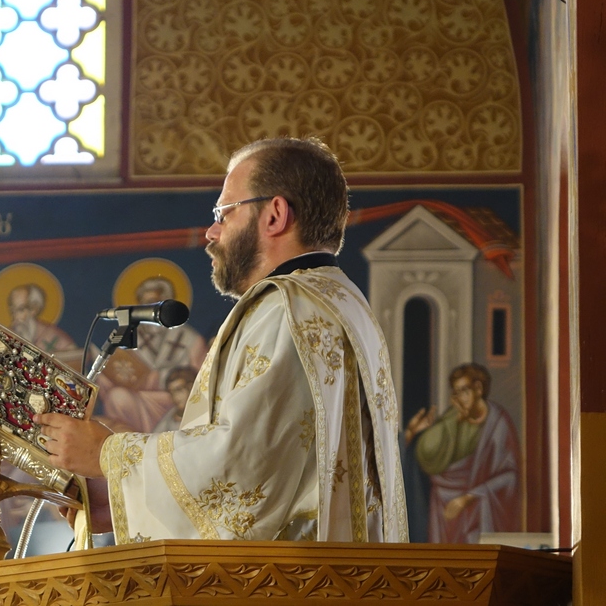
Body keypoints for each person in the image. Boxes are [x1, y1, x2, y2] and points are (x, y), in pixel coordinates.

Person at [37, 137, 408, 543]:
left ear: (275, 214)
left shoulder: (286, 307)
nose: (212, 232)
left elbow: (239, 468)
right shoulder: (342, 301)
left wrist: (109, 455)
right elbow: (285, 473)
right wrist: (119, 495)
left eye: (224, 212)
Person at [404, 363, 520, 543]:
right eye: (456, 393)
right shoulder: (454, 416)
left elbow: (509, 476)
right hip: (442, 507)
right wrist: (417, 434)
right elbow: (427, 455)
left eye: (464, 391)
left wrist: (468, 497)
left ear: (478, 389)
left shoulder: (498, 424)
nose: (459, 399)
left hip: (474, 509)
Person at [101, 278, 208, 433]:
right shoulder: (131, 336)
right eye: (144, 304)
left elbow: (204, 379)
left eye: (154, 303)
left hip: (173, 397)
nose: (149, 310)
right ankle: (130, 448)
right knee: (116, 396)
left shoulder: (190, 339)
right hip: (140, 400)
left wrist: (160, 378)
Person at [8, 284, 77, 354]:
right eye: (12, 311)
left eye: (20, 309)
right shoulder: (8, 335)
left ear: (34, 309)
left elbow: (74, 356)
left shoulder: (52, 335)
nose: (15, 317)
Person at [152, 366, 196, 433]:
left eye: (178, 390)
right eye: (171, 393)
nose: (175, 397)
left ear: (191, 387)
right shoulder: (169, 419)